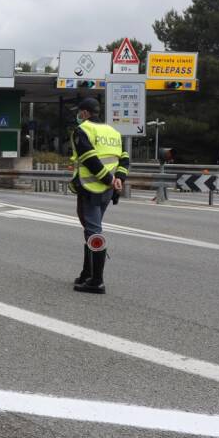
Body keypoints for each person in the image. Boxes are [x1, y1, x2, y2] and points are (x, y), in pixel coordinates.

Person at [69, 97, 129, 294]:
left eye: (79, 113)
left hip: (92, 187)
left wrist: (107, 179)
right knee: (90, 229)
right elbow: (125, 158)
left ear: (85, 113)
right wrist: (118, 178)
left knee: (93, 232)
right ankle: (87, 273)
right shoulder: (113, 131)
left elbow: (89, 159)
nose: (79, 116)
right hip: (108, 190)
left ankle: (97, 281)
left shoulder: (83, 129)